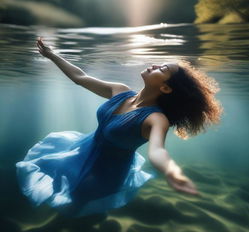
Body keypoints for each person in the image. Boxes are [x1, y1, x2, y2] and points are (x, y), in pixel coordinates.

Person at [16, 37, 223, 217]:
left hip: (105, 172)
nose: (154, 65)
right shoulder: (121, 91)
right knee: (60, 196)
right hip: (80, 151)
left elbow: (158, 149)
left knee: (74, 206)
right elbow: (81, 78)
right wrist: (52, 55)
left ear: (166, 87)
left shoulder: (157, 119)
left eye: (162, 68)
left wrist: (171, 172)